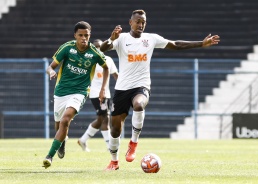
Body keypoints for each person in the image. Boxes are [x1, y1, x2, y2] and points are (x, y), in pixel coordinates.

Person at [100, 9, 220, 171]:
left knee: (139, 105)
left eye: (143, 22)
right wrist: (110, 39)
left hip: (141, 86)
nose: (140, 24)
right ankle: (114, 162)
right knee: (115, 129)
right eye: (138, 21)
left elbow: (175, 45)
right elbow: (103, 49)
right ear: (131, 22)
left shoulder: (151, 39)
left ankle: (133, 143)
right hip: (122, 89)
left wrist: (201, 43)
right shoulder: (121, 39)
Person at [42, 21, 109, 169]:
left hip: (80, 91)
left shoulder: (94, 52)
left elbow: (106, 68)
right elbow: (50, 67)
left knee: (66, 119)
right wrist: (51, 72)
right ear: (75, 35)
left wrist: (103, 88)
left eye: (87, 35)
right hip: (61, 91)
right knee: (59, 124)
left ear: (90, 36)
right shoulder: (67, 48)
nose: (84, 38)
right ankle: (62, 141)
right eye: (81, 35)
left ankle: (49, 156)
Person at [78, 39, 118, 152]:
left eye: (100, 46)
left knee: (100, 119)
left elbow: (115, 75)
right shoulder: (89, 61)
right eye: (95, 47)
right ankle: (109, 146)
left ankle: (83, 140)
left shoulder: (108, 60)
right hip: (96, 94)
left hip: (107, 94)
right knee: (106, 118)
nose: (98, 49)